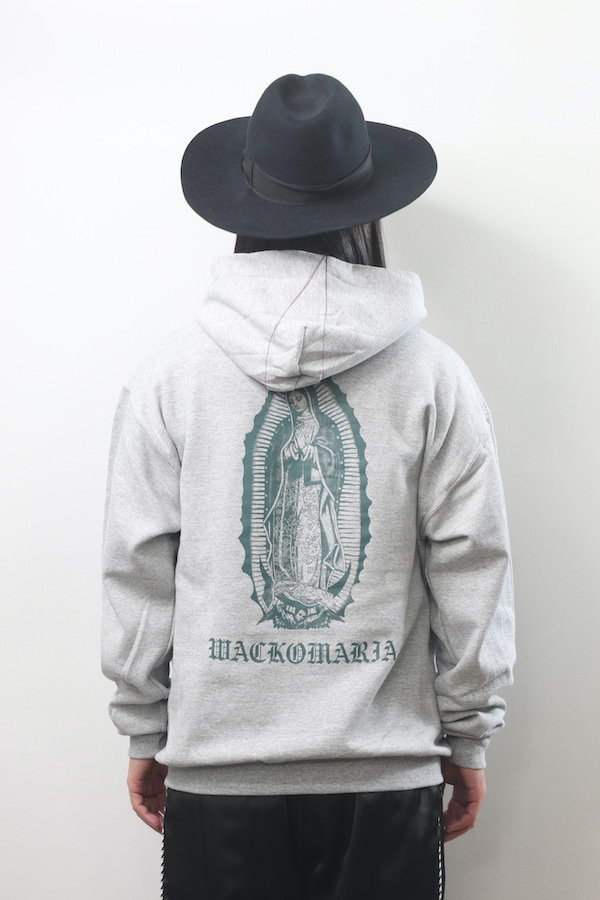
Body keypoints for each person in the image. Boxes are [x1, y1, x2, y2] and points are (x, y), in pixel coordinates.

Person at [101, 73, 516, 900]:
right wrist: (468, 734)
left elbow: (137, 564)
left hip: (219, 772)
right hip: (386, 773)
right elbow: (472, 562)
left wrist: (145, 725)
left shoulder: (170, 377)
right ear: (368, 209)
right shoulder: (434, 377)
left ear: (245, 207)